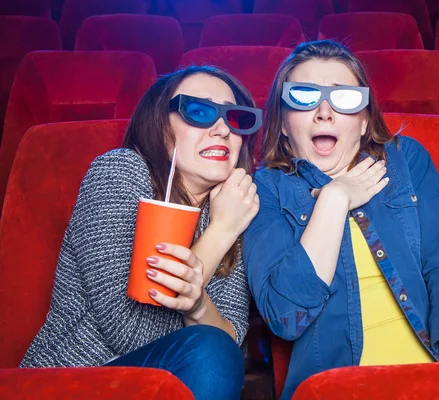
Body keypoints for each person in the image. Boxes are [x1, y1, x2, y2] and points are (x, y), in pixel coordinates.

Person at [243, 40, 439, 399]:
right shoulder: (266, 190)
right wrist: (335, 198)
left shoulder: (406, 161)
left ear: (362, 122)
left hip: (431, 378)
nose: (324, 112)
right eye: (305, 96)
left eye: (344, 98)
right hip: (337, 388)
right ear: (282, 124)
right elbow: (286, 315)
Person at [20, 66, 262, 400]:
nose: (222, 129)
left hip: (171, 385)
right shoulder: (120, 171)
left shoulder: (233, 207)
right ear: (160, 125)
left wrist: (198, 306)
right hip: (73, 382)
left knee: (216, 353)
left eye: (234, 118)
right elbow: (133, 333)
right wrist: (222, 231)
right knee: (209, 352)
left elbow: (230, 343)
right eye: (199, 111)